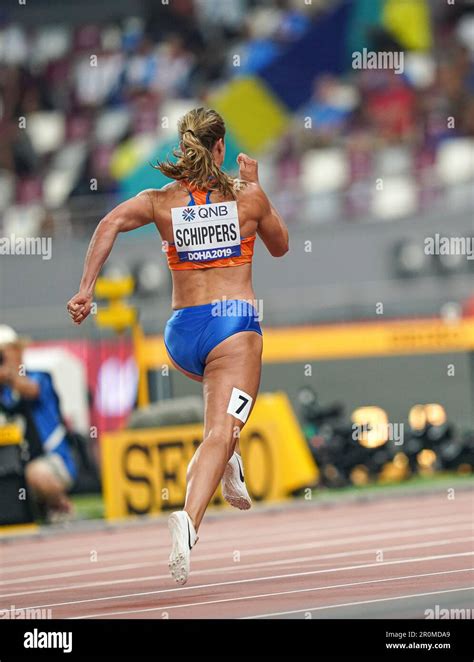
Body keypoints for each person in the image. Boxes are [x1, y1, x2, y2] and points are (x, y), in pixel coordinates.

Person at [67, 107, 289, 584]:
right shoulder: (246, 198)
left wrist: (86, 289)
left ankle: (227, 457)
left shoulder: (160, 201)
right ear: (221, 148)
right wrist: (257, 187)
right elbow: (281, 245)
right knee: (222, 430)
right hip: (233, 327)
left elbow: (106, 224)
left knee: (220, 423)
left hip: (182, 335)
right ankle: (189, 522)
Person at [0, 325, 76, 516]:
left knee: (36, 473)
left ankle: (61, 505)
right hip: (14, 465)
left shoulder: (39, 377)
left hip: (54, 461)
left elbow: (31, 390)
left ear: (17, 351)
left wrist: (9, 376)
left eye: (3, 354)